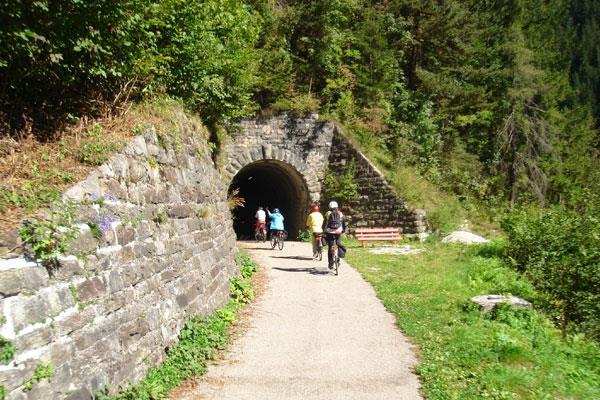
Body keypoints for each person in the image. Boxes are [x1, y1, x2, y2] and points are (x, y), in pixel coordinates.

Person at [324, 200, 346, 269]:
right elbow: (343, 223)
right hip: (338, 232)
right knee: (337, 244)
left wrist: (324, 231)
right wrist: (343, 230)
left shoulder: (328, 213)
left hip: (330, 232)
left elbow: (325, 223)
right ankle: (338, 259)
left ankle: (330, 264)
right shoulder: (340, 213)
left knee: (331, 246)